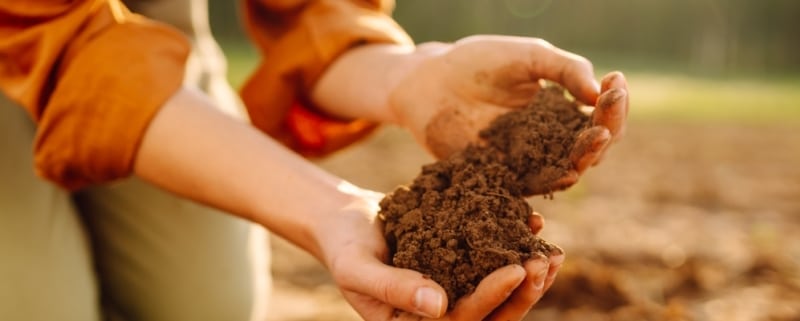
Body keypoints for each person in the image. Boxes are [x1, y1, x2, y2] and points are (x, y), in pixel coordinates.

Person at [0, 0, 629, 320]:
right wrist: (327, 208)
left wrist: (406, 78)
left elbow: (312, 12)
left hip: (147, 28)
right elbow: (56, 40)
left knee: (205, 305)